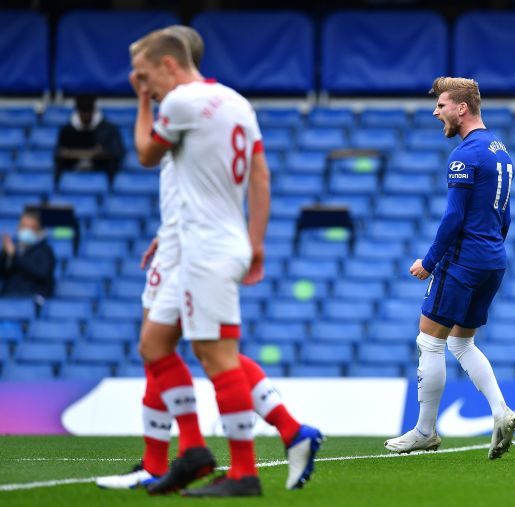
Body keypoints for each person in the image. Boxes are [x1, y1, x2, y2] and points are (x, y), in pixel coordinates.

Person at [95, 26, 320, 493]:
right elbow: (260, 175)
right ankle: (203, 449)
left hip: (202, 247)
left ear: (169, 64)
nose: (143, 85)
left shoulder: (178, 105)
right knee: (157, 344)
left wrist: (142, 104)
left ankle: (242, 470)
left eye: (144, 75)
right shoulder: (238, 102)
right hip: (213, 239)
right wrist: (255, 242)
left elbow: (143, 153)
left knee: (216, 356)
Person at [384, 77, 515, 459]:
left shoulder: (464, 155)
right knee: (462, 341)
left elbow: (453, 217)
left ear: (461, 108)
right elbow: (504, 215)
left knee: (429, 340)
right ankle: (501, 411)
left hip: (464, 260)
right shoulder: (500, 150)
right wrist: (490, 247)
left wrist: (429, 261)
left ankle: (425, 430)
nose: (435, 111)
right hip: (493, 259)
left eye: (441, 105)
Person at [55, 94, 125, 182]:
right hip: (72, 175)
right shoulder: (67, 130)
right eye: (82, 112)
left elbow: (118, 153)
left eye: (88, 111)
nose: (85, 115)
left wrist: (103, 153)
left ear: (93, 110)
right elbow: (58, 155)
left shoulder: (108, 130)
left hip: (101, 173)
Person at [0, 210, 55, 298]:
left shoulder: (45, 251)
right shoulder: (14, 249)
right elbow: (3, 273)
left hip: (31, 300)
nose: (27, 231)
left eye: (32, 228)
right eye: (24, 226)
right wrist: (5, 254)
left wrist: (15, 257)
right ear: (18, 228)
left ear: (39, 230)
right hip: (8, 298)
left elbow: (42, 273)